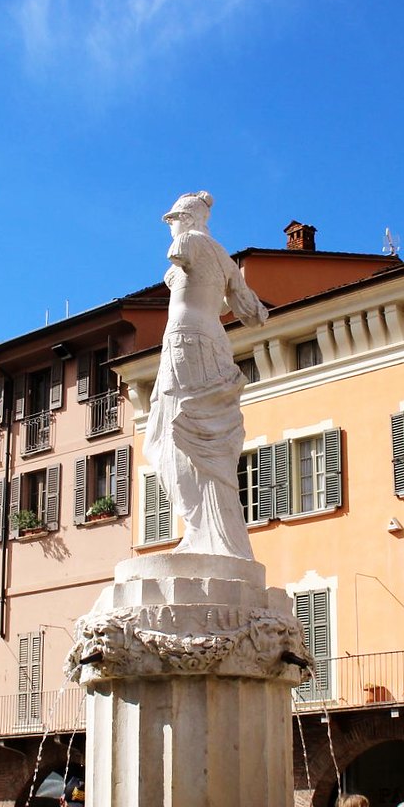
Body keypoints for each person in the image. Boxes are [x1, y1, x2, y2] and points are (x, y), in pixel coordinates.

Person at [143, 190, 268, 560]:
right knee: (203, 436)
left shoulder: (188, 241)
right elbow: (252, 312)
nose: (171, 226)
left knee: (174, 434)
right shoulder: (227, 261)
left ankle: (201, 530)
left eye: (173, 219)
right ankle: (208, 532)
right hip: (214, 343)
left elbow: (176, 257)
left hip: (184, 341)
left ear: (188, 218)